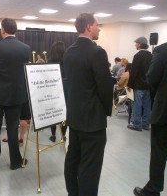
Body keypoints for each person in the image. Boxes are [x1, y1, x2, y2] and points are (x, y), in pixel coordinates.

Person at [133, 19, 167, 196]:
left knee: (159, 153)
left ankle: (153, 189)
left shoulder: (162, 50)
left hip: (165, 111)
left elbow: (152, 79)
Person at [63, 13, 113, 196]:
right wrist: (107, 110)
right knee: (90, 169)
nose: (99, 28)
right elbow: (105, 87)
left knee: (73, 160)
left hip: (74, 118)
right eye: (97, 25)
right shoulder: (97, 52)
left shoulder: (69, 51)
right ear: (88, 27)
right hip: (93, 121)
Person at [0, 18, 30, 171]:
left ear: (2, 30)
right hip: (16, 96)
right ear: (16, 30)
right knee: (12, 129)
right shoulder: (25, 48)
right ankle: (15, 161)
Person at [127, 37, 152, 131]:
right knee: (147, 106)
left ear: (140, 44)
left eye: (136, 43)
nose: (135, 45)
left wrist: (129, 85)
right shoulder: (151, 55)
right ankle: (145, 124)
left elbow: (133, 72)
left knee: (137, 105)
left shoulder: (137, 56)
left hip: (138, 85)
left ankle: (137, 124)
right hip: (148, 85)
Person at [48, 41, 68, 142]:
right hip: (65, 90)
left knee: (53, 113)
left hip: (53, 90)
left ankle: (53, 134)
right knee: (64, 114)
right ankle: (63, 135)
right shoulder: (67, 61)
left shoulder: (49, 62)